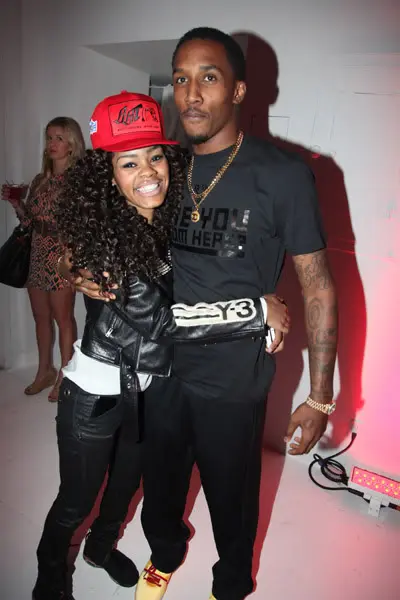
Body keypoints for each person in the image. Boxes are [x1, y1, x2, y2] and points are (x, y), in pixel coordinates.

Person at [65, 28, 338, 600]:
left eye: (208, 77)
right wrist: (78, 267)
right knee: (161, 488)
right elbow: (104, 217)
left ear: (238, 90)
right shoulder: (165, 168)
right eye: (181, 78)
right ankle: (164, 556)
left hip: (234, 380)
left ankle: (231, 584)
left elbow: (317, 286)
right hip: (160, 368)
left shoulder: (282, 175)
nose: (190, 93)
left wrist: (319, 397)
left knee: (231, 498)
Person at [34, 91, 290, 600]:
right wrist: (256, 312)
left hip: (147, 394)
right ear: (107, 176)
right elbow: (165, 322)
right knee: (75, 501)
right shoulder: (105, 241)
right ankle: (50, 574)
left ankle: (100, 549)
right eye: (129, 162)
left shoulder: (163, 222)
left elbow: (198, 288)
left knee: (126, 487)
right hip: (95, 395)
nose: (148, 172)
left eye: (155, 156)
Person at [1, 117, 85, 401]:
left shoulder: (77, 181)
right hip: (37, 252)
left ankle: (66, 375)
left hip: (61, 255)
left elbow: (84, 223)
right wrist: (17, 204)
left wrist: (74, 259)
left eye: (59, 138)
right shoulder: (39, 180)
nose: (52, 144)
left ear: (71, 144)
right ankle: (44, 371)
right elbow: (29, 222)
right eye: (49, 138)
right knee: (40, 317)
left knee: (64, 318)